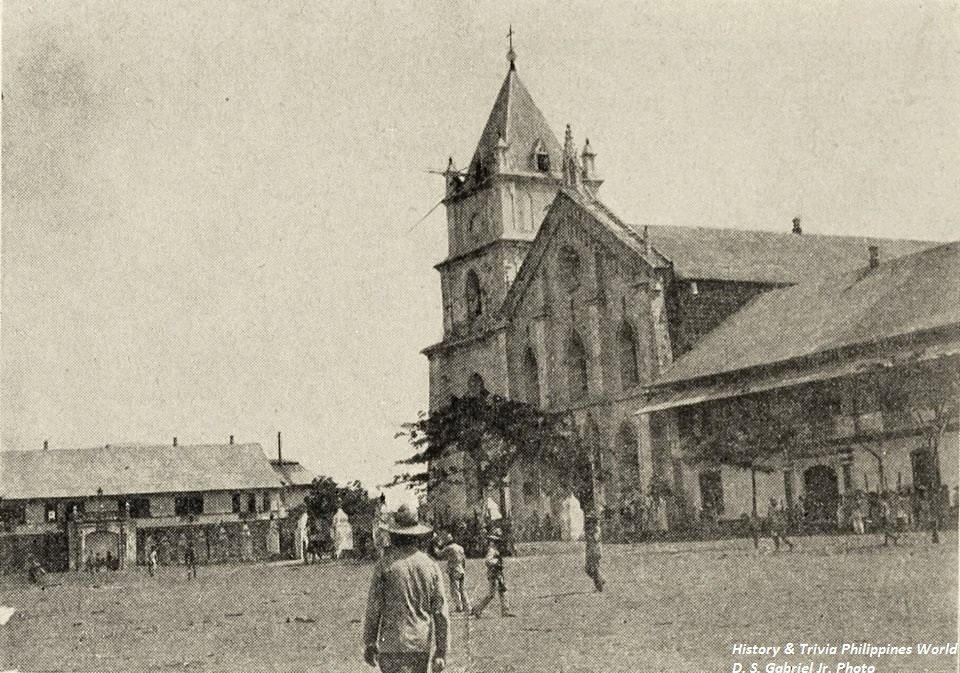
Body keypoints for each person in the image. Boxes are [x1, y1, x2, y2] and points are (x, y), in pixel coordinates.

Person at [363, 504, 448, 673]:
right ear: (417, 537)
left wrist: (370, 642)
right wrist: (441, 651)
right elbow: (440, 612)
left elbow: (374, 607)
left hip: (390, 645)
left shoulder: (385, 566)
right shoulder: (430, 566)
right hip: (419, 644)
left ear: (394, 536)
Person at [470, 529, 514, 618]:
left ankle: (505, 611)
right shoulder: (492, 550)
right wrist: (497, 562)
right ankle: (477, 610)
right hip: (494, 574)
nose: (497, 542)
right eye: (496, 541)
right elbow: (487, 561)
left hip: (498, 573)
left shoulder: (495, 549)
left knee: (503, 590)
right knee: (491, 594)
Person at [436, 531, 469, 613]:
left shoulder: (449, 548)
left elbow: (439, 554)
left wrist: (435, 547)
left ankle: (459, 607)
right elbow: (464, 560)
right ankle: (467, 606)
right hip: (461, 569)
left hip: (454, 570)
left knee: (454, 590)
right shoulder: (460, 547)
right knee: (462, 590)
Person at [584, 515, 604, 592]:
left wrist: (588, 535)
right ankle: (600, 580)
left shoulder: (596, 529)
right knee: (587, 570)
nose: (588, 523)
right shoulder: (591, 529)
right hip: (590, 551)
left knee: (594, 569)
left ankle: (599, 586)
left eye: (590, 521)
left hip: (595, 551)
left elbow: (595, 539)